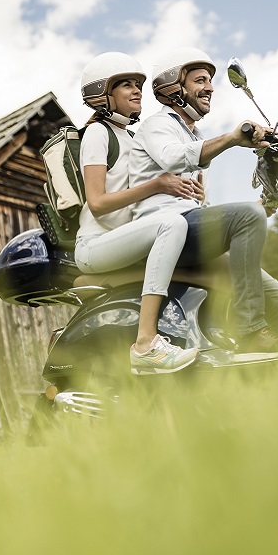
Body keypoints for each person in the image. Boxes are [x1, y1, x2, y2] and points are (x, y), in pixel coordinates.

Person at [129, 46, 278, 355]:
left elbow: (200, 208)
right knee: (246, 217)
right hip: (162, 229)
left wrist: (263, 207)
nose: (209, 88)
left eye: (209, 81)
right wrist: (232, 139)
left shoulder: (192, 133)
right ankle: (250, 330)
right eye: (200, 80)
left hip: (188, 227)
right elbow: (171, 158)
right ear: (173, 89)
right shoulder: (158, 125)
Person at [73, 52, 201, 375]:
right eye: (126, 85)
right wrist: (159, 184)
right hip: (94, 244)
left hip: (123, 241)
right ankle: (145, 343)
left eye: (138, 85)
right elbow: (98, 202)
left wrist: (187, 192)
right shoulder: (98, 134)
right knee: (170, 226)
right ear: (103, 95)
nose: (136, 91)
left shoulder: (133, 138)